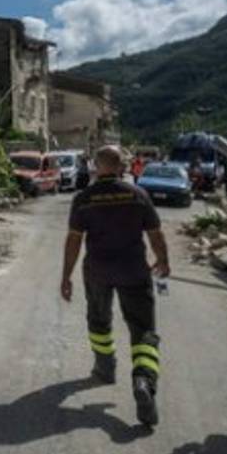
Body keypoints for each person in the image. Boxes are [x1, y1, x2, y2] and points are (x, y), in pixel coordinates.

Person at [61, 145, 171, 426]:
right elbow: (155, 234)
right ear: (122, 167)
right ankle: (144, 382)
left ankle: (105, 366)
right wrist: (163, 260)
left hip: (97, 271)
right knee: (144, 329)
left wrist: (66, 276)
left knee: (99, 319)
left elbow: (74, 240)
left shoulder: (84, 198)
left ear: (96, 167)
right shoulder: (138, 195)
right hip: (134, 270)